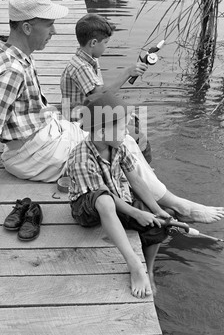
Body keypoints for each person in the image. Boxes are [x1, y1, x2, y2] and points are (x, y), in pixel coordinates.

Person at [0, 0, 224, 232]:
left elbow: (4, 109)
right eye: (49, 25)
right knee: (119, 146)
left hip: (47, 133)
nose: (54, 32)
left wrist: (43, 117)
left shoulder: (15, 55)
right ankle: (177, 205)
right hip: (31, 152)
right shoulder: (10, 70)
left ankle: (162, 200)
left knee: (122, 138)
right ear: (26, 27)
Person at [67, 92, 172, 298]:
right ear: (102, 130)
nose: (126, 133)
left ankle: (148, 270)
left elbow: (136, 181)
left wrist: (157, 210)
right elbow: (103, 196)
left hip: (118, 198)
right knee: (105, 200)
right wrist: (135, 213)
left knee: (159, 222)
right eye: (122, 128)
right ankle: (134, 265)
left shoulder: (119, 148)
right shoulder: (81, 157)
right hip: (89, 208)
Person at [60, 13, 152, 162]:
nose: (106, 47)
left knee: (134, 121)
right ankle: (142, 171)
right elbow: (101, 98)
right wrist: (128, 72)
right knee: (140, 139)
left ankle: (134, 166)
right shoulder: (81, 67)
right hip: (79, 122)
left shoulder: (88, 62)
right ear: (94, 43)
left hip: (88, 113)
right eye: (106, 43)